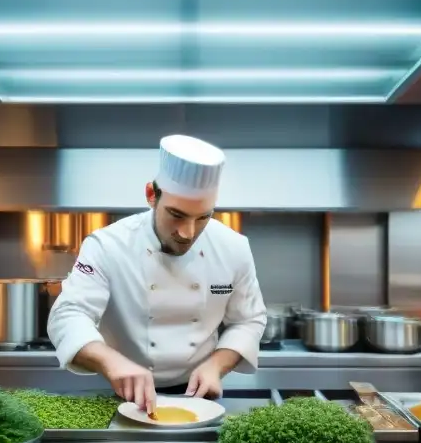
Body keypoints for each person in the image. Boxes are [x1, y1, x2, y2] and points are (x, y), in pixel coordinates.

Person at [47, 134, 267, 414]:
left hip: (201, 399)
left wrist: (216, 365)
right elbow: (68, 314)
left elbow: (249, 320)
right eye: (176, 215)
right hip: (124, 396)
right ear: (151, 195)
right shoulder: (107, 245)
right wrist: (112, 363)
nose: (188, 234)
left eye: (203, 218)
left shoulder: (233, 248)